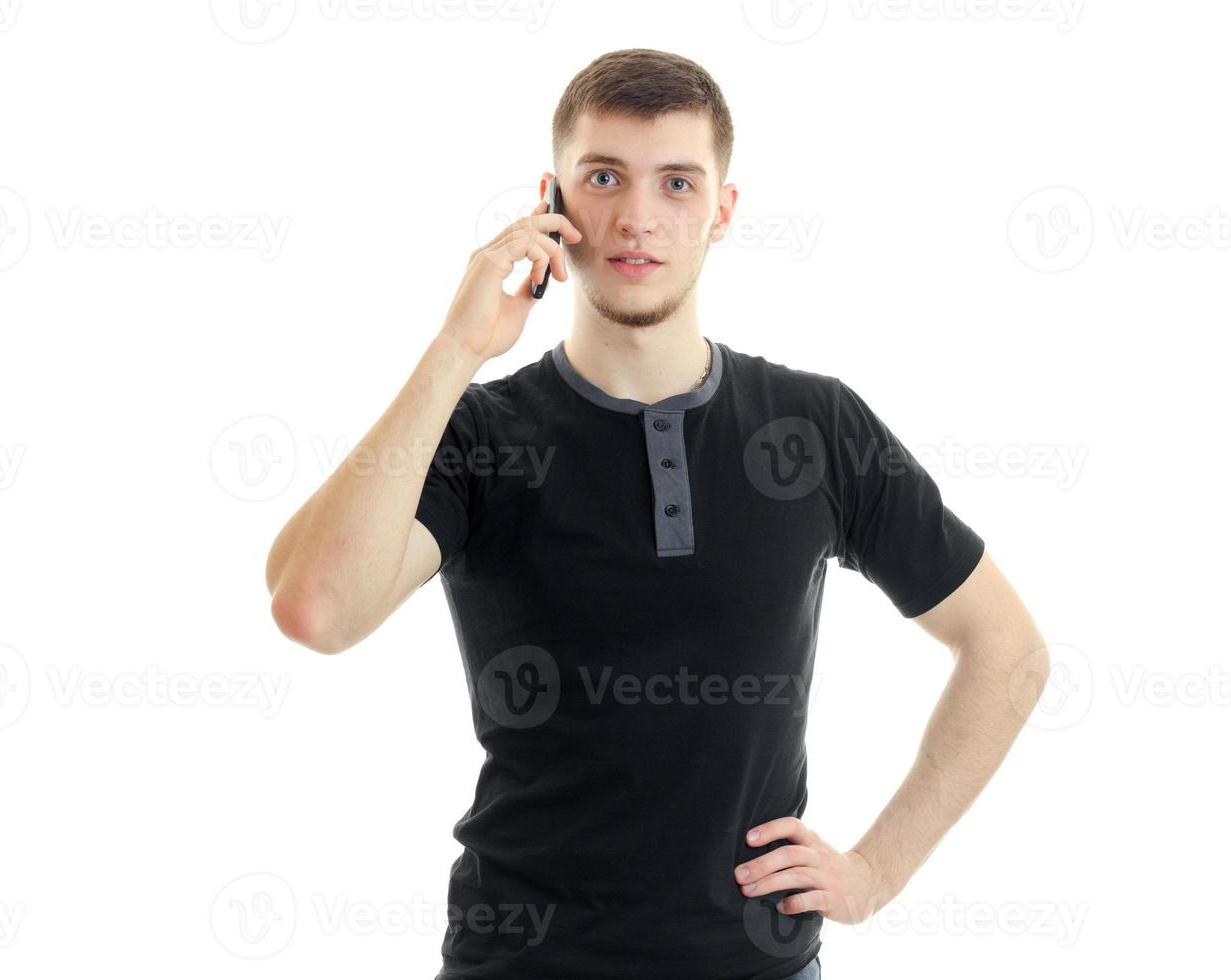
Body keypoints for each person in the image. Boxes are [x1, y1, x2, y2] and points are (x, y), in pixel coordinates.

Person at [265, 47, 1049, 980]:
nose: (637, 217)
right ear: (551, 199)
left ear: (722, 211)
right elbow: (315, 609)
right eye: (605, 177)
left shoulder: (815, 424)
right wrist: (455, 349)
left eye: (677, 182)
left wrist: (876, 871)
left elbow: (1009, 651)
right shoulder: (479, 432)